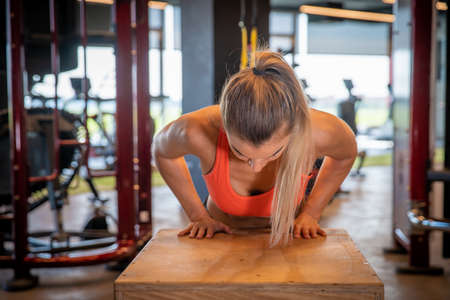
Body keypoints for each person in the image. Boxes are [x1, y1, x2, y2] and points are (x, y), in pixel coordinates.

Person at [153, 51, 357, 247]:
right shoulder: (195, 130)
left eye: (274, 153)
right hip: (223, 236)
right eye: (240, 152)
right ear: (224, 126)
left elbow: (346, 154)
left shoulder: (316, 131)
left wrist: (312, 213)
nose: (256, 167)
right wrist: (197, 216)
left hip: (288, 237)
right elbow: (162, 152)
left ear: (293, 130)